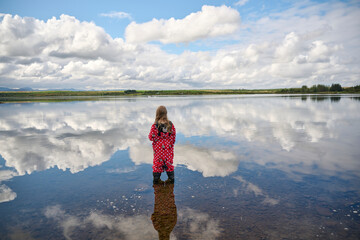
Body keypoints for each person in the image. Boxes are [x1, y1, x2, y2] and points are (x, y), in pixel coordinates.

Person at [148, 106, 176, 184]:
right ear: (166, 113)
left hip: (158, 148)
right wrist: (170, 144)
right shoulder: (170, 124)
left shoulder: (155, 125)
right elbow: (173, 136)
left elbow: (151, 137)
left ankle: (156, 181)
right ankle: (171, 179)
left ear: (157, 114)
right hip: (168, 148)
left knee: (157, 164)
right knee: (169, 163)